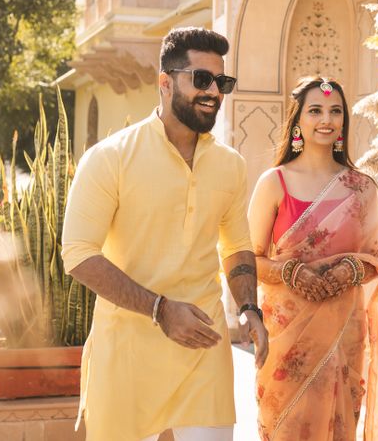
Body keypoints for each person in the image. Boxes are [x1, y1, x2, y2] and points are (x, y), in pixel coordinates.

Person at [61, 27, 268, 441]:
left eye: (221, 82)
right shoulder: (110, 158)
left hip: (203, 351)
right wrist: (160, 310)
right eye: (201, 79)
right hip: (128, 354)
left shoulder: (230, 165)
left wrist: (249, 308)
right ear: (165, 81)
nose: (213, 92)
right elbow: (78, 254)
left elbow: (237, 246)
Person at [247, 76, 378, 441]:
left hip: (343, 339)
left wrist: (351, 269)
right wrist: (291, 272)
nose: (327, 119)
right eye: (316, 110)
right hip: (287, 341)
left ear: (343, 122)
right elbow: (249, 260)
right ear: (298, 120)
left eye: (335, 111)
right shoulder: (275, 182)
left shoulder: (361, 187)